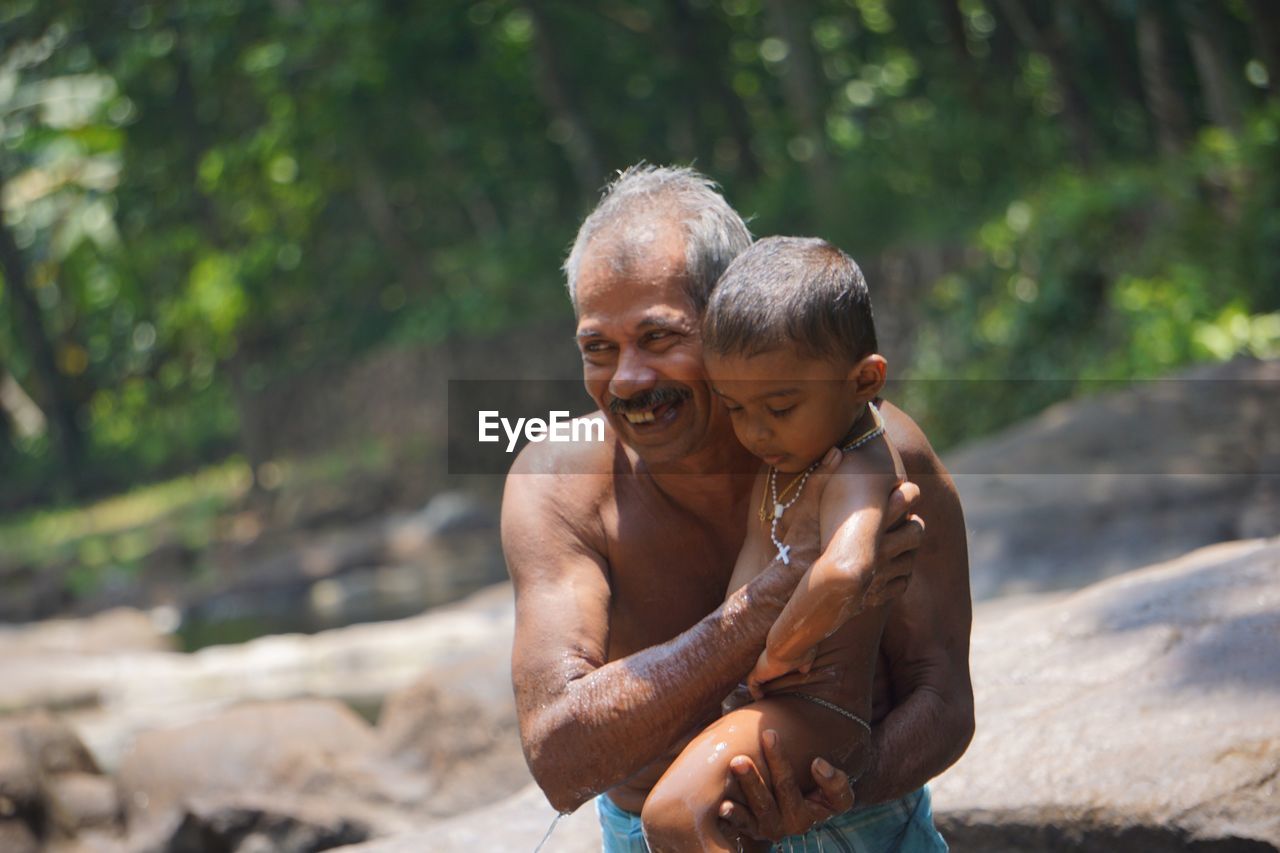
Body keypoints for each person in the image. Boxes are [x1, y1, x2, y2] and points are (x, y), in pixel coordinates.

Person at [502, 165, 973, 851]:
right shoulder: (560, 485)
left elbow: (944, 698)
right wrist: (771, 599)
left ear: (729, 319)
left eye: (659, 338)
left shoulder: (869, 452)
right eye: (599, 350)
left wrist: (834, 792)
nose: (628, 378)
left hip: (866, 822)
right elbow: (559, 759)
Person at [638, 236, 941, 851]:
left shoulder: (857, 466)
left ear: (864, 381)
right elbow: (756, 566)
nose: (754, 431)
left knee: (674, 816)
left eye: (778, 406)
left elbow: (843, 571)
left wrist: (775, 656)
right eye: (735, 408)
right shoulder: (786, 461)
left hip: (820, 714)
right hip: (779, 709)